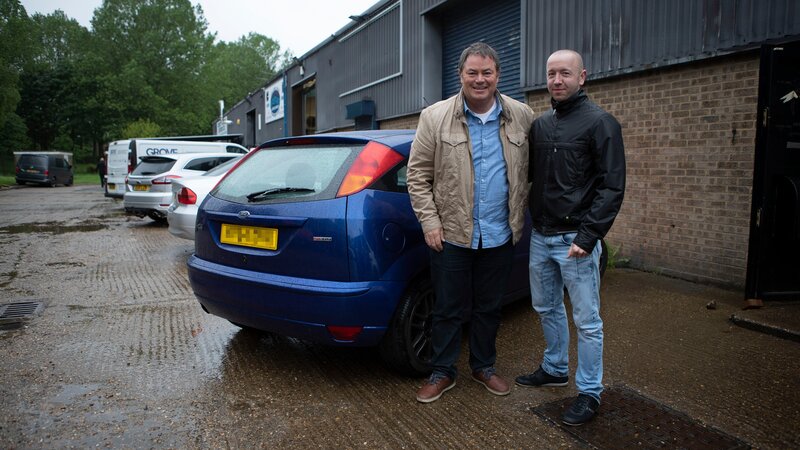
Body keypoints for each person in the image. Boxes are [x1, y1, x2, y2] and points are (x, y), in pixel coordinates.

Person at [407, 42, 534, 403]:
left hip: (499, 232)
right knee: (447, 309)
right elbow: (417, 176)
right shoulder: (434, 117)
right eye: (472, 73)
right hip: (451, 234)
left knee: (489, 308)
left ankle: (483, 366)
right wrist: (430, 223)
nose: (480, 80)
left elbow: (532, 170)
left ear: (498, 75)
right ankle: (442, 371)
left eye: (486, 73)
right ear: (460, 75)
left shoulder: (522, 115)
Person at [515, 49, 626, 425]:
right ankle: (555, 368)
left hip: (575, 241)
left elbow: (612, 186)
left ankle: (590, 392)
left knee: (587, 321)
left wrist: (589, 236)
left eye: (565, 73)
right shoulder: (541, 125)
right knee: (546, 307)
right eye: (551, 74)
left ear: (582, 77)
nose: (557, 80)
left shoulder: (601, 123)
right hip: (541, 236)